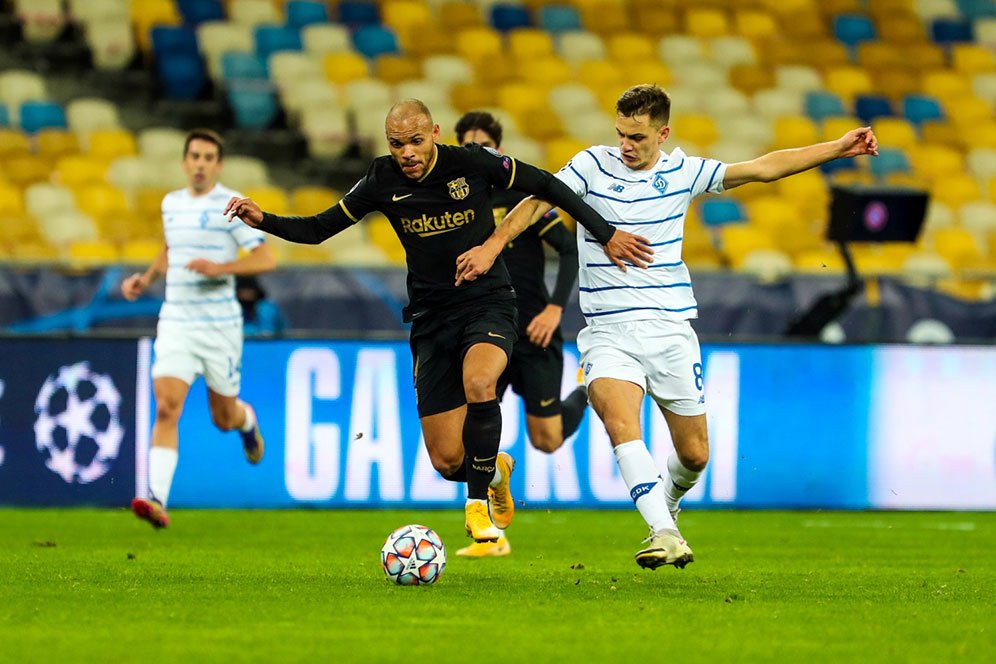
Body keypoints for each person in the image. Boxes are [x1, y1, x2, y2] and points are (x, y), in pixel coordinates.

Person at [456, 84, 879, 568]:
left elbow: (764, 168)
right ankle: (663, 531)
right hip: (608, 331)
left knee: (695, 454)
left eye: (636, 136)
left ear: (663, 133)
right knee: (621, 426)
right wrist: (491, 246)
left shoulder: (685, 172)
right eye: (620, 134)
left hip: (671, 330)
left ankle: (670, 504)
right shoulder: (592, 165)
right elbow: (534, 202)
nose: (625, 145)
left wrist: (838, 148)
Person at [224, 99, 653, 544]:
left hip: (487, 303)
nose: (406, 152)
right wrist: (264, 220)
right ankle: (495, 471)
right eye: (396, 144)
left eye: (415, 140)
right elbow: (318, 229)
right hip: (431, 319)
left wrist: (607, 234)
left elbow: (547, 184)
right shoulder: (380, 178)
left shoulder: (470, 163)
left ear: (434, 132)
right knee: (448, 460)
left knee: (482, 384)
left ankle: (476, 508)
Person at [122, 129, 277, 528]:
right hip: (176, 319)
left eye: (209, 157)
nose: (200, 163)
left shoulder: (230, 205)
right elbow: (171, 246)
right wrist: (147, 277)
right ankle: (156, 498)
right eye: (195, 156)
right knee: (168, 405)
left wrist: (220, 268)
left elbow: (266, 258)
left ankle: (246, 422)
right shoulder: (171, 204)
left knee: (222, 417)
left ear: (218, 165)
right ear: (184, 162)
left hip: (219, 327)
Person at [453, 111, 589, 558]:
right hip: (487, 329)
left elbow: (568, 249)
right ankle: (491, 536)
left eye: (484, 146)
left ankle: (586, 388)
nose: (476, 153)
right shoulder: (452, 202)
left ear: (499, 149)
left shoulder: (522, 196)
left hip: (533, 329)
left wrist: (554, 308)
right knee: (465, 437)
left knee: (546, 440)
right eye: (467, 145)